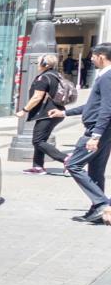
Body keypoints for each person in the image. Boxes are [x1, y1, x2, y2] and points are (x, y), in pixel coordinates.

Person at [50, 43, 111, 223]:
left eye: (93, 56)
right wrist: (64, 113)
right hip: (104, 131)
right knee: (96, 171)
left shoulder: (107, 77)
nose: (91, 59)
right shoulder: (104, 76)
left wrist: (96, 136)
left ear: (101, 57)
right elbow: (93, 105)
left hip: (97, 131)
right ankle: (97, 211)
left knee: (73, 164)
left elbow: (107, 108)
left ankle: (102, 204)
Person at [16, 53, 68, 175]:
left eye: (39, 62)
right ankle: (38, 166)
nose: (37, 65)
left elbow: (37, 97)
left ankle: (66, 158)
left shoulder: (44, 78)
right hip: (55, 111)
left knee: (38, 141)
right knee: (41, 140)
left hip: (47, 113)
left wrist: (24, 110)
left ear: (45, 64)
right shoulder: (56, 75)